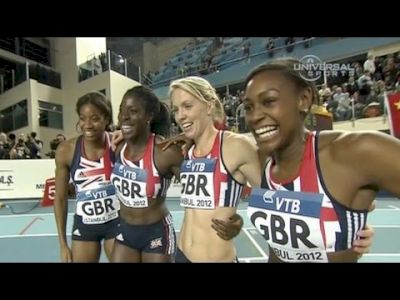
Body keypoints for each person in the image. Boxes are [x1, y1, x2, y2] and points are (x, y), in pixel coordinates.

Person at [243, 58, 398, 262]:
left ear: (304, 100)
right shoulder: (263, 161)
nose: (254, 116)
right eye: (248, 107)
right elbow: (279, 249)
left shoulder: (356, 151)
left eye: (269, 101)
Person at [169, 76, 261, 262]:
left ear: (209, 106)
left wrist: (241, 220)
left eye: (187, 106)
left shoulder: (236, 146)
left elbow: (272, 194)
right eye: (176, 109)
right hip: (181, 254)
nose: (180, 116)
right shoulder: (188, 150)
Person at [109, 86, 183, 262]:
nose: (124, 116)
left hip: (156, 233)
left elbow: (201, 190)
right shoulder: (118, 148)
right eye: (121, 111)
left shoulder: (165, 152)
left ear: (149, 116)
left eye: (133, 111)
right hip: (125, 231)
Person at [54, 91, 119, 262]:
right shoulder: (66, 150)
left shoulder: (118, 145)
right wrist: (63, 245)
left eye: (95, 118)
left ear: (106, 119)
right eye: (83, 118)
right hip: (85, 224)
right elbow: (60, 198)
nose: (87, 125)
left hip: (117, 222)